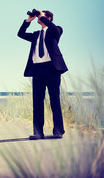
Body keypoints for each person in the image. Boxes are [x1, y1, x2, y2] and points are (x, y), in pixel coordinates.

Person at [17, 9, 68, 140]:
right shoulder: (35, 35)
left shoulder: (55, 30)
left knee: (54, 100)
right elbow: (20, 34)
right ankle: (38, 132)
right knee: (37, 102)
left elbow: (55, 30)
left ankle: (58, 131)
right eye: (39, 16)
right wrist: (29, 20)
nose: (39, 18)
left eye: (42, 16)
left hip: (52, 68)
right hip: (37, 69)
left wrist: (42, 16)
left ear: (49, 18)